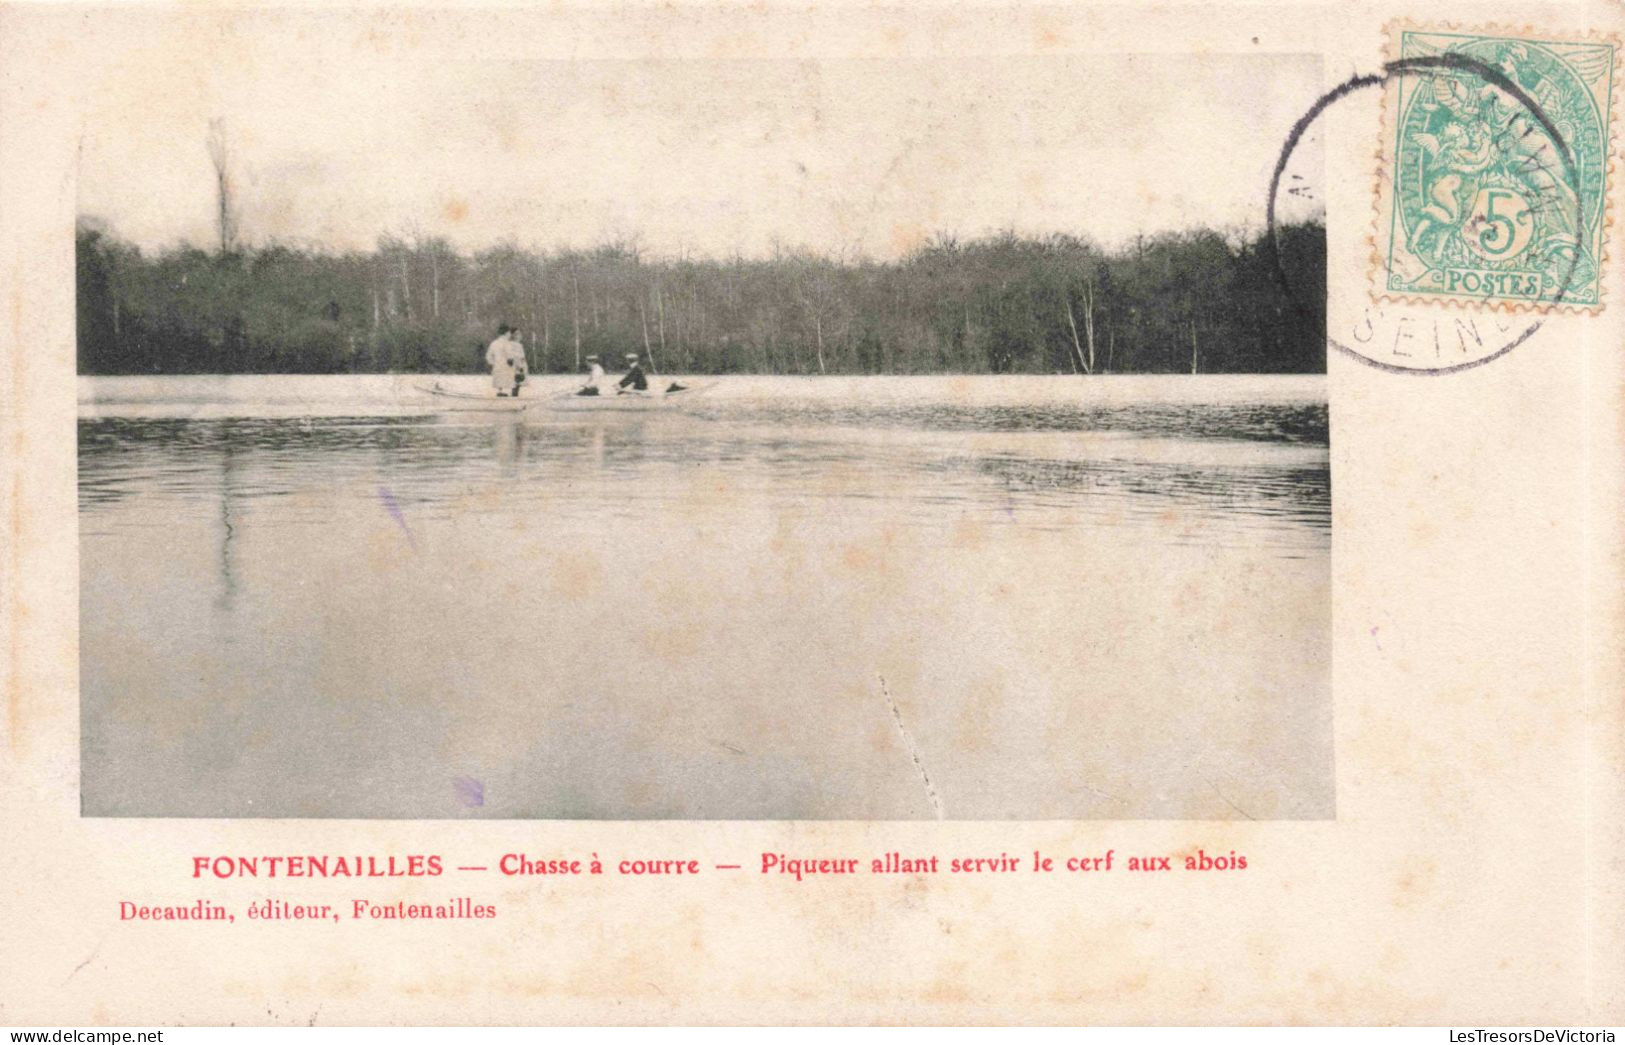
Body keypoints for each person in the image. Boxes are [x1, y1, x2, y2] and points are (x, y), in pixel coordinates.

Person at [485, 325, 526, 397]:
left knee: (500, 384)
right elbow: (510, 355)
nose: (510, 335)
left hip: (497, 367)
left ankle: (500, 392)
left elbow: (488, 356)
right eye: (509, 333)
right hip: (507, 368)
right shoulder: (507, 343)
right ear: (506, 333)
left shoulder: (494, 343)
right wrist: (519, 366)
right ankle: (511, 398)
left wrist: (492, 363)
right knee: (509, 382)